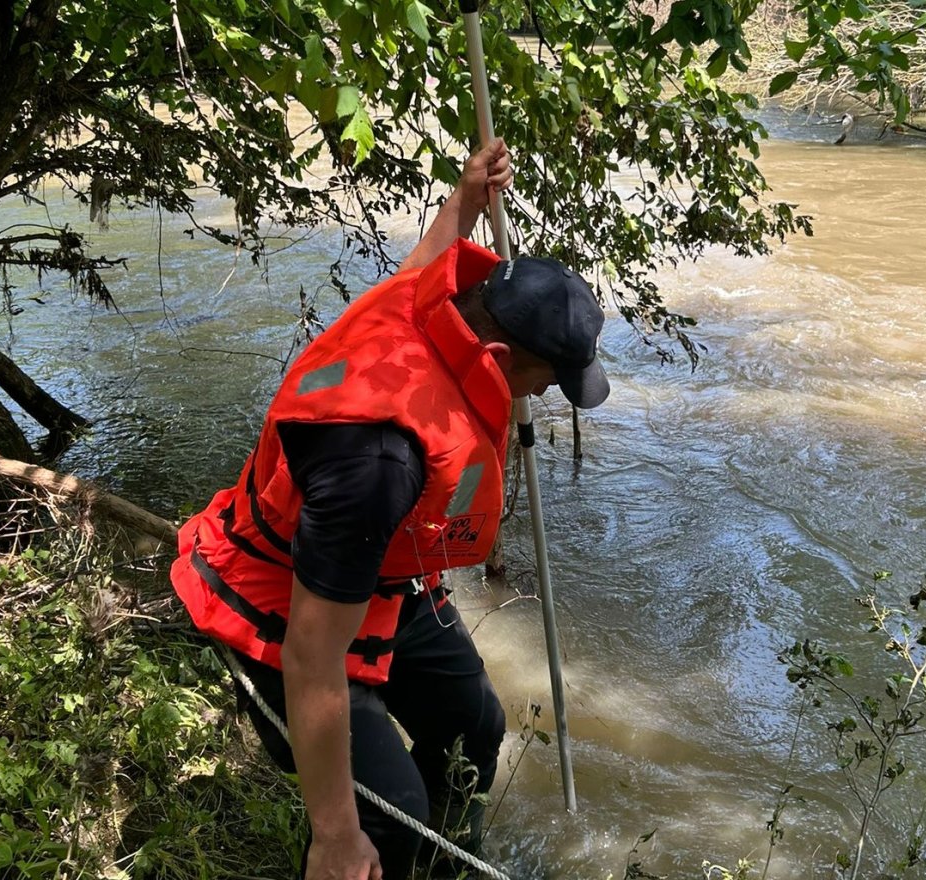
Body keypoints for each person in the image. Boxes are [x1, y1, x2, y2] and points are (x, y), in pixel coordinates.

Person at [169, 138, 610, 880]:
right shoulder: (379, 458)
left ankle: (446, 863)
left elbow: (423, 263)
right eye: (544, 379)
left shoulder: (430, 306)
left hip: (384, 580)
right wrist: (335, 834)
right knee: (384, 812)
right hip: (283, 596)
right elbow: (313, 653)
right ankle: (370, 856)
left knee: (475, 728)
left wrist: (466, 201)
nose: (540, 397)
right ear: (497, 359)